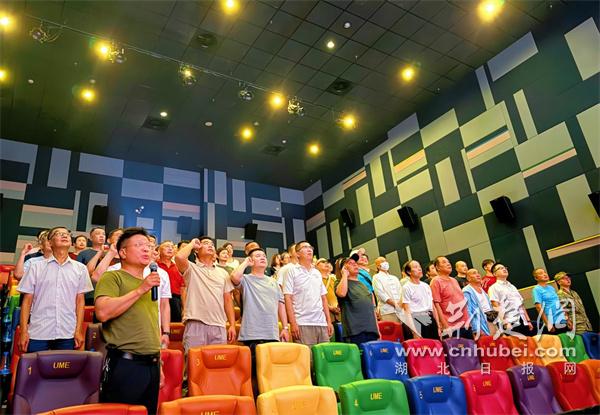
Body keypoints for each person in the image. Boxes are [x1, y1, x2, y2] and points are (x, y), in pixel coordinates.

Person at [94, 227, 163, 414]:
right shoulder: (112, 276)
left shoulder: (150, 282)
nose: (146, 249)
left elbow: (150, 326)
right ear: (123, 252)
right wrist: (141, 289)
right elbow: (102, 312)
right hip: (125, 364)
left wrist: (160, 363)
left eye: (148, 246)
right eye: (139, 245)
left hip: (152, 364)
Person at [17, 226, 92, 353]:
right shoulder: (36, 267)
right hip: (39, 331)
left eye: (67, 234)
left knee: (65, 366)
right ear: (50, 242)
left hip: (67, 332)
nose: (64, 235)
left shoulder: (81, 268)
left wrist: (78, 330)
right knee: (35, 365)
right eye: (58, 233)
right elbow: (27, 301)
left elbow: (80, 302)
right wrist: (24, 331)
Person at [230, 247, 289, 394]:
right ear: (251, 260)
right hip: (252, 335)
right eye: (257, 256)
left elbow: (281, 305)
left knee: (270, 375)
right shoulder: (246, 279)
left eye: (263, 255)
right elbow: (234, 277)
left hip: (272, 334)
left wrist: (285, 328)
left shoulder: (273, 282)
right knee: (254, 377)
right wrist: (245, 263)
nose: (262, 257)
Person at [174, 237, 236, 352]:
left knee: (217, 362)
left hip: (219, 324)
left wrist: (232, 324)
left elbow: (228, 300)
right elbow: (179, 257)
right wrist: (192, 243)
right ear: (197, 250)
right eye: (206, 243)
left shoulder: (223, 273)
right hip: (196, 323)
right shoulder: (191, 268)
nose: (210, 245)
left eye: (212, 244)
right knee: (193, 362)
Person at [283, 241, 332, 347]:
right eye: (305, 247)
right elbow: (287, 298)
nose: (309, 249)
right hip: (302, 323)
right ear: (297, 254)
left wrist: (328, 321)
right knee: (307, 356)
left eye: (310, 247)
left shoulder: (317, 273)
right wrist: (293, 323)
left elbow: (323, 298)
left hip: (321, 323)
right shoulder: (291, 271)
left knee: (324, 356)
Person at [335, 253, 379, 345]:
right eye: (350, 263)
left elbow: (372, 309)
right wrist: (344, 275)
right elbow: (341, 293)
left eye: (355, 263)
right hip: (355, 332)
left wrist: (378, 330)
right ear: (344, 268)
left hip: (371, 330)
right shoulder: (340, 282)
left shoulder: (363, 285)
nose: (355, 265)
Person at [488, 262, 534, 337]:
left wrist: (528, 320)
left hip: (522, 320)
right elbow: (496, 306)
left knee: (529, 342)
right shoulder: (493, 288)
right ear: (494, 274)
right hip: (510, 321)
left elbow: (521, 304)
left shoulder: (512, 286)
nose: (504, 269)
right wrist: (505, 322)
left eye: (504, 268)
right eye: (500, 268)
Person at [430, 256, 472, 339]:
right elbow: (436, 305)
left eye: (448, 262)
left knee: (471, 347)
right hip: (451, 326)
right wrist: (445, 326)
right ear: (437, 267)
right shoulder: (435, 281)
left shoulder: (454, 280)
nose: (448, 264)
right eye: (444, 262)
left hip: (465, 324)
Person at [401, 260, 440, 339]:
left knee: (436, 344)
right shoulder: (406, 287)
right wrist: (414, 331)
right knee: (423, 346)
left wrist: (438, 326)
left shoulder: (426, 286)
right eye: (415, 267)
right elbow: (407, 311)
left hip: (430, 319)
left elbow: (433, 307)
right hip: (416, 320)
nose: (419, 269)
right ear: (409, 272)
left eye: (419, 266)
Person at [532, 268, 570, 334]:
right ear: (536, 278)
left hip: (563, 320)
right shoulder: (536, 289)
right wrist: (547, 323)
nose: (544, 274)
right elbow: (538, 307)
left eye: (545, 272)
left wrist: (567, 319)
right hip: (553, 321)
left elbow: (560, 304)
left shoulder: (551, 288)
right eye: (541, 273)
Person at [158, 241, 185, 323]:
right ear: (159, 250)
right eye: (167, 246)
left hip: (176, 300)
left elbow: (182, 288)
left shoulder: (178, 267)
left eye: (172, 247)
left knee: (176, 326)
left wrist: (184, 308)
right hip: (159, 299)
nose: (170, 249)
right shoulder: (154, 266)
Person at [462, 269, 495, 338]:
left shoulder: (481, 289)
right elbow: (468, 311)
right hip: (480, 323)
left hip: (490, 320)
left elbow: (489, 306)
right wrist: (476, 329)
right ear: (468, 278)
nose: (478, 275)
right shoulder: (466, 291)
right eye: (474, 273)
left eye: (478, 273)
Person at [372, 257, 402, 323]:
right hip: (387, 311)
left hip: (400, 310)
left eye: (385, 261)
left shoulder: (394, 278)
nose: (385, 263)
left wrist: (400, 304)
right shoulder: (376, 277)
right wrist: (395, 304)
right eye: (382, 262)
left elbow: (400, 292)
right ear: (378, 266)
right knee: (391, 328)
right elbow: (380, 294)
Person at [316, 258, 340, 322]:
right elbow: (317, 298)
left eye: (326, 262)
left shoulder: (334, 278)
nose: (326, 263)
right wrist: (330, 307)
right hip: (326, 315)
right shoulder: (316, 280)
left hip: (340, 312)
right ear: (316, 266)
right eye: (322, 262)